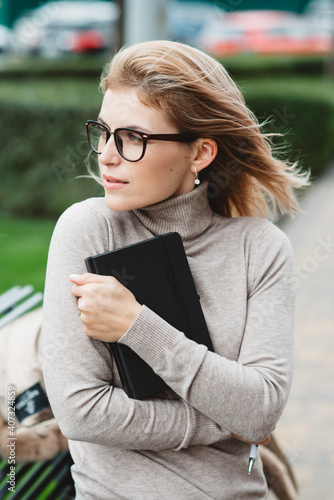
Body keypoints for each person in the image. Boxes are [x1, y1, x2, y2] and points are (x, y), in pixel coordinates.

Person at [41, 40, 308, 499]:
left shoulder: (260, 249)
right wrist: (230, 418)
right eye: (103, 131)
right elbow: (81, 411)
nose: (106, 154)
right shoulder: (88, 230)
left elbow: (261, 411)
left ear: (200, 153)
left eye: (133, 139)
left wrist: (137, 326)